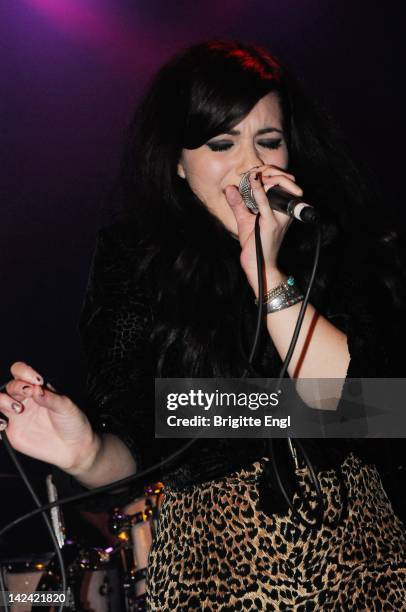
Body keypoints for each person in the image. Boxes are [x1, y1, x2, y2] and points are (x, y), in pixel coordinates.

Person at [1, 40, 406, 609]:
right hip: (214, 571)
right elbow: (137, 443)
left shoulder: (331, 244)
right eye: (222, 143)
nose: (250, 165)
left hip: (365, 562)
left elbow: (376, 410)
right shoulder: (135, 258)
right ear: (177, 160)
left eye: (269, 141)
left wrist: (265, 272)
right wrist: (86, 452)